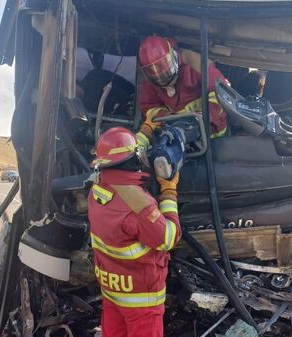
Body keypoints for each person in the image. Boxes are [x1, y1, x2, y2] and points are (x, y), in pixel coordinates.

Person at [88, 127, 182, 337]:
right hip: (142, 300)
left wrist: (146, 131)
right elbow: (168, 237)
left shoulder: (97, 188)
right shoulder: (139, 205)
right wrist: (169, 192)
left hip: (112, 291)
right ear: (133, 159)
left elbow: (123, 149)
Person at [137, 35, 229, 145]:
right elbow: (149, 107)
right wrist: (166, 118)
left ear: (172, 55)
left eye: (162, 67)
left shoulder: (196, 64)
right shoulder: (150, 80)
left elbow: (222, 92)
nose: (159, 76)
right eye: (152, 72)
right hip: (175, 137)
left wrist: (200, 119)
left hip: (213, 136)